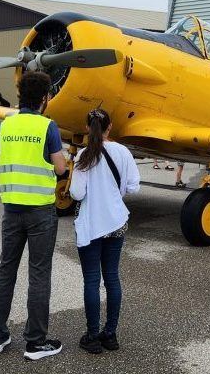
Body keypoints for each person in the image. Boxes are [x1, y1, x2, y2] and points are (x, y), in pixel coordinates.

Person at [0, 72, 67, 361]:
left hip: (11, 210)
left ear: (20, 95)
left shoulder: (5, 125)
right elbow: (59, 168)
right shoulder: (48, 126)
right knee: (39, 274)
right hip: (40, 212)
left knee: (6, 269)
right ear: (45, 98)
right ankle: (35, 342)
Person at [70, 109, 140, 354]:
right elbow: (133, 186)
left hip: (91, 225)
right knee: (112, 277)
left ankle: (91, 336)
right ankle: (110, 334)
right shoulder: (123, 152)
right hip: (116, 222)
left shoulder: (83, 156)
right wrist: (115, 194)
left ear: (88, 127)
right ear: (110, 126)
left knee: (91, 280)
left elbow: (77, 194)